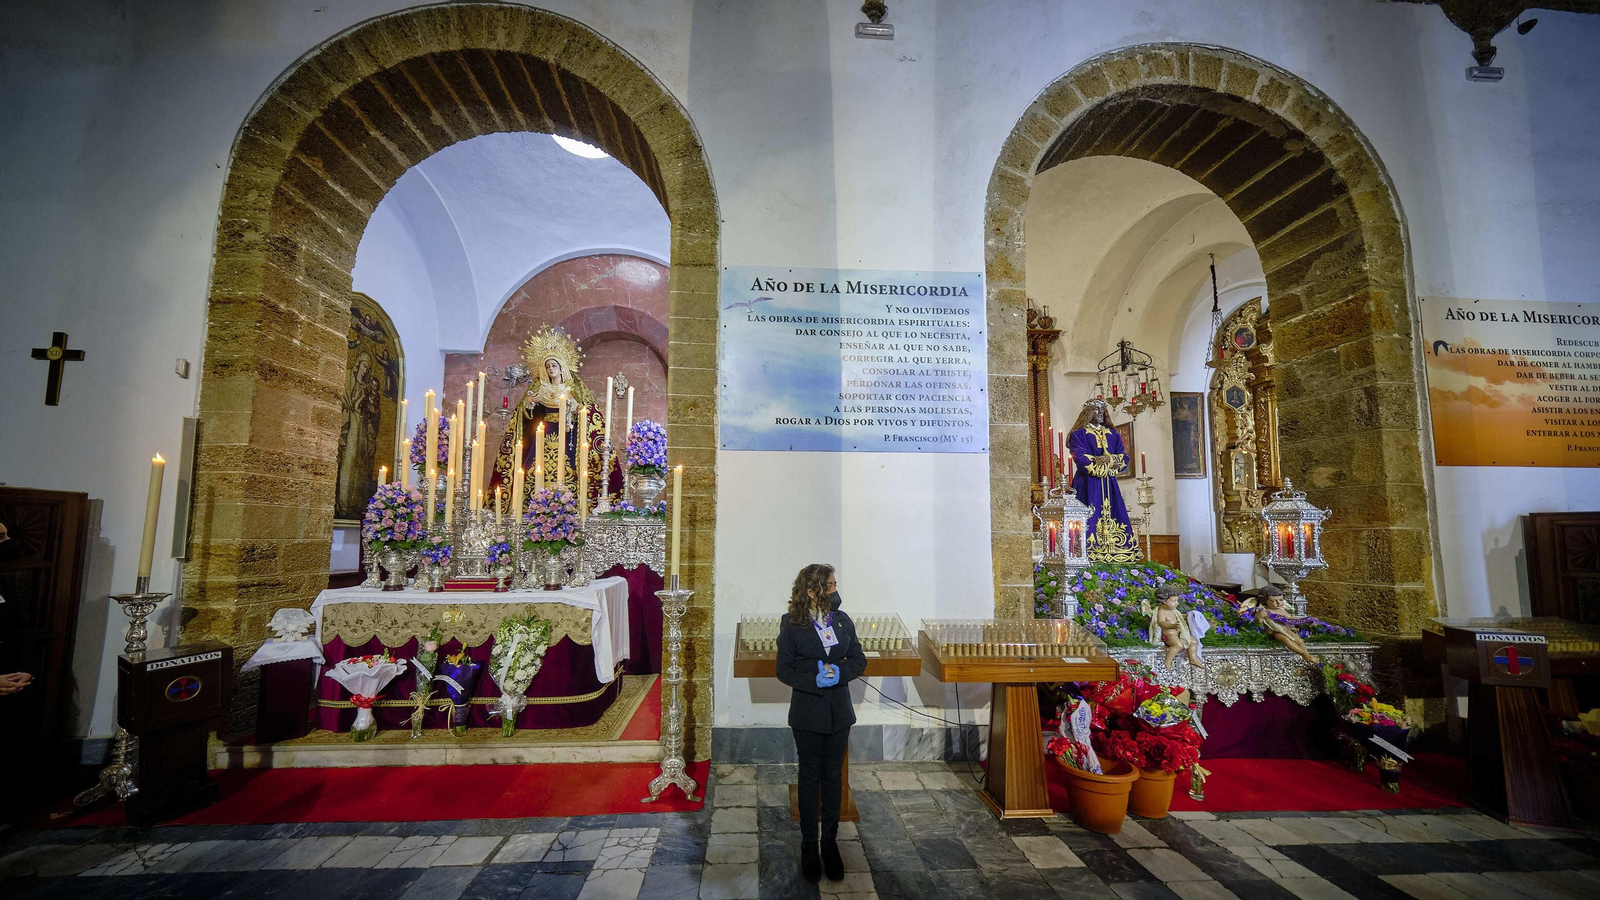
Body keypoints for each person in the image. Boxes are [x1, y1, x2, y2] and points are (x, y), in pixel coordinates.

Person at [776, 563, 866, 884]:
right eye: (829, 585)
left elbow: (859, 659)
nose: (835, 590)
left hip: (839, 714)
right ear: (812, 590)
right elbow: (783, 670)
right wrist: (814, 678)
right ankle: (808, 845)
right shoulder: (791, 624)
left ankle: (830, 843)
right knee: (809, 776)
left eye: (835, 584)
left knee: (833, 778)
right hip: (807, 714)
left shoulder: (842, 621)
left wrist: (841, 673)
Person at [1067, 398, 1140, 563]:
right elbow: (1080, 456)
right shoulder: (1078, 434)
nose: (1100, 414)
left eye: (1102, 411)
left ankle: (1117, 551)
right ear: (1088, 413)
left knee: (1114, 512)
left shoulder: (1113, 434)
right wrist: (1100, 462)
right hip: (1087, 482)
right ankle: (1085, 552)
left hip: (1109, 483)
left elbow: (1124, 457)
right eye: (1096, 410)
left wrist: (1108, 461)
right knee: (1089, 513)